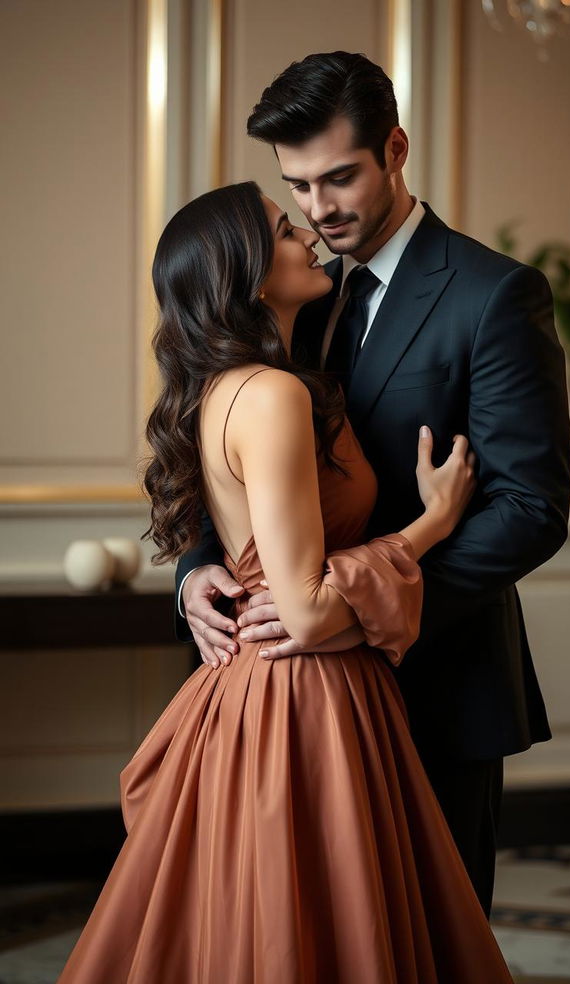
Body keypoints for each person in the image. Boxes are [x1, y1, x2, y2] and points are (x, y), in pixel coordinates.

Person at [58, 182, 514, 983]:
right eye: (281, 225)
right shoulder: (269, 395)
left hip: (272, 689)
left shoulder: (239, 386)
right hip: (305, 694)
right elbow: (302, 611)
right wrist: (432, 523)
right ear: (248, 274)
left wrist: (206, 573)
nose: (306, 227)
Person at [176, 51, 570, 917]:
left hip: (441, 685)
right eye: (298, 187)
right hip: (295, 700)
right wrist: (200, 569)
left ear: (395, 149)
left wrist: (354, 604)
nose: (319, 213)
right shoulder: (299, 293)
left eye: (339, 179)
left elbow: (530, 509)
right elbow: (245, 459)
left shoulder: (495, 295)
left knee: (431, 945)